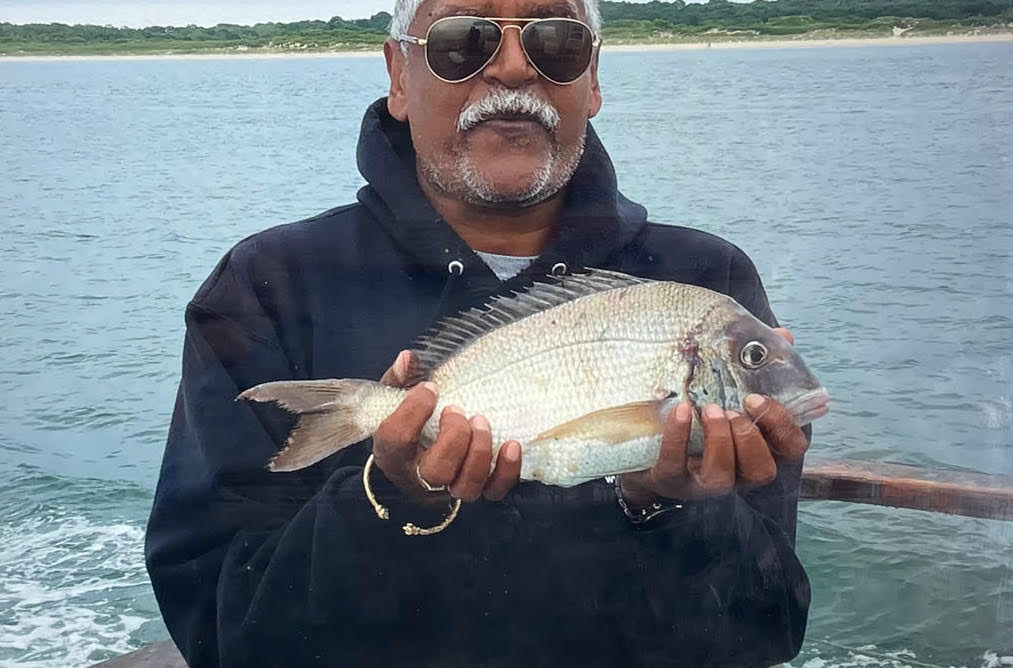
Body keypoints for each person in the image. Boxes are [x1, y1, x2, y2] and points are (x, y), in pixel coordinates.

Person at [145, 1, 813, 666]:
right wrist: (387, 496)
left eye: (556, 39)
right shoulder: (266, 285)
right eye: (464, 39)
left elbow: (766, 629)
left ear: (594, 77)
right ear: (398, 76)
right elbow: (220, 629)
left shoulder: (706, 278)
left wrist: (671, 509)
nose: (516, 67)